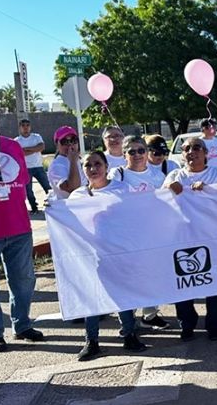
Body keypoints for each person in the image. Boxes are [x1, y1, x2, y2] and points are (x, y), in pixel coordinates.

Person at [69, 151, 146, 361]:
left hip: (119, 253)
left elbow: (137, 215)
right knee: (91, 296)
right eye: (88, 165)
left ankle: (129, 334)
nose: (93, 169)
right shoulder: (78, 196)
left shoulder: (122, 189)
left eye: (97, 164)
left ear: (106, 166)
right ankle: (91, 341)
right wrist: (52, 209)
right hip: (91, 256)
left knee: (122, 294)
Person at [0, 103, 44, 352]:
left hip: (18, 227)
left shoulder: (12, 146)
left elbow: (22, 180)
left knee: (24, 280)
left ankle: (22, 324)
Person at [108, 135, 174, 329]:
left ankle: (150, 314)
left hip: (152, 234)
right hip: (126, 234)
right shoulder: (117, 174)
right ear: (124, 154)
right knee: (129, 277)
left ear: (146, 152)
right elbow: (103, 196)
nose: (137, 155)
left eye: (141, 150)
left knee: (151, 275)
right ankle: (128, 321)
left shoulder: (158, 176)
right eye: (132, 151)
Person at [165, 137, 217, 342]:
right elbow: (159, 200)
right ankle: (187, 323)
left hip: (212, 238)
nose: (192, 152)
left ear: (206, 152)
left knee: (215, 282)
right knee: (183, 283)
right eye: (186, 149)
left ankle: (215, 325)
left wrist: (209, 189)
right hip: (182, 239)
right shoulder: (175, 175)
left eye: (197, 147)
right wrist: (169, 186)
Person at [14, 119, 50, 214]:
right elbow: (20, 153)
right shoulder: (17, 141)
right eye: (23, 126)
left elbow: (41, 147)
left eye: (27, 125)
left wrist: (27, 149)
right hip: (25, 169)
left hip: (38, 167)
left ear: (30, 127)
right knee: (28, 190)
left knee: (47, 187)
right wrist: (34, 149)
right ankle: (34, 208)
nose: (25, 128)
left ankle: (54, 204)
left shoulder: (36, 137)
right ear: (20, 128)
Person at [47, 126, 84, 201]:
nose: (70, 145)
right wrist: (73, 161)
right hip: (67, 206)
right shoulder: (56, 165)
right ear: (57, 144)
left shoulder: (78, 160)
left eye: (73, 140)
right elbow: (73, 188)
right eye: (65, 142)